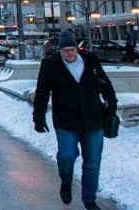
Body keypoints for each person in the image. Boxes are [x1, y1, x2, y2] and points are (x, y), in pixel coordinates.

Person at [33, 31, 117, 210]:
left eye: (72, 50)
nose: (70, 54)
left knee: (92, 162)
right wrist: (38, 118)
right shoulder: (50, 65)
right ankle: (66, 180)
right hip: (66, 121)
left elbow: (105, 83)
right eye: (66, 51)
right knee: (66, 156)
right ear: (59, 50)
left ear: (77, 48)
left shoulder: (90, 60)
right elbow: (41, 93)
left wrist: (112, 105)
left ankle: (89, 200)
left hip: (93, 120)